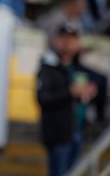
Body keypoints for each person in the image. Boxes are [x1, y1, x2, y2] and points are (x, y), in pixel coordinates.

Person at [36, 23, 98, 176]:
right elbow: (43, 98)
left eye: (72, 39)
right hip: (59, 133)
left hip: (78, 131)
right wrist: (69, 92)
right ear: (56, 40)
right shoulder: (48, 67)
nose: (67, 43)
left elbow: (89, 95)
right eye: (64, 38)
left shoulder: (79, 68)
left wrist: (89, 93)